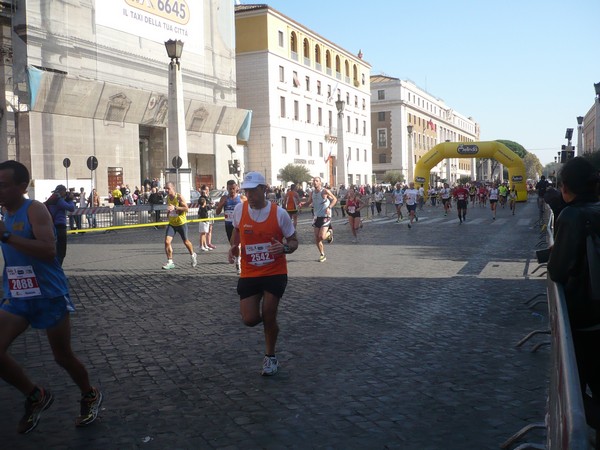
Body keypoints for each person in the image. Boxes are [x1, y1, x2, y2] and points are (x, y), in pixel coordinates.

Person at [0, 160, 103, 434]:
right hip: (18, 295)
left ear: (22, 187)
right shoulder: (4, 213)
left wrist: (7, 237)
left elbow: (48, 250)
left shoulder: (34, 209)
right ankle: (36, 395)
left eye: (4, 185)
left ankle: (89, 393)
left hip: (48, 293)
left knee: (62, 356)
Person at [227, 172, 298, 376]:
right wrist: (234, 248)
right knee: (249, 319)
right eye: (246, 191)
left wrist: (284, 249)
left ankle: (270, 356)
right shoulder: (240, 209)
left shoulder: (279, 213)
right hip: (250, 272)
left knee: (268, 311)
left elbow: (294, 241)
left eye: (253, 191)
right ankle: (271, 323)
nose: (249, 195)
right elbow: (237, 231)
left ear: (264, 190)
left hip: (274, 271)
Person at [547, 157, 600, 430]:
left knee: (574, 394)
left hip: (583, 314)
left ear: (566, 187)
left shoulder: (572, 215)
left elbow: (557, 270)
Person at [300, 177, 337, 262]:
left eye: (317, 181)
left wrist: (329, 207)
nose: (315, 182)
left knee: (322, 236)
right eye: (314, 181)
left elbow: (335, 199)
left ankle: (329, 233)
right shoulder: (312, 192)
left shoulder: (325, 191)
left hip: (325, 216)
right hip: (317, 216)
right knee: (317, 238)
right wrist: (303, 204)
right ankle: (322, 254)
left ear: (320, 183)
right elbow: (309, 202)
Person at [161, 181, 197, 270]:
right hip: (172, 224)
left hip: (181, 223)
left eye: (168, 188)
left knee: (186, 242)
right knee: (167, 242)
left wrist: (176, 208)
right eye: (165, 189)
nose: (166, 190)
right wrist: (168, 213)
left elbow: (186, 208)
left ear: (173, 188)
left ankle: (193, 254)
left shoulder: (179, 197)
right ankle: (170, 262)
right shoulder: (168, 198)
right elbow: (170, 210)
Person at [216, 179, 247, 275]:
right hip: (228, 225)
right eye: (230, 189)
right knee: (233, 245)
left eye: (233, 188)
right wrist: (222, 204)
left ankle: (239, 262)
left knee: (237, 245)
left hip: (239, 226)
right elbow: (217, 212)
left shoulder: (242, 198)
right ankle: (238, 257)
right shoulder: (224, 198)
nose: (232, 191)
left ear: (237, 187)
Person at [44, 184, 75, 266]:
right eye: (65, 192)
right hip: (60, 226)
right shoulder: (58, 200)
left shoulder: (52, 199)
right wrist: (70, 199)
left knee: (55, 249)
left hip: (52, 225)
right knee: (61, 251)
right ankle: (58, 270)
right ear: (62, 192)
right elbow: (71, 208)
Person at [199, 185, 216, 249]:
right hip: (205, 215)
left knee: (210, 229)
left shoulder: (209, 196)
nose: (208, 191)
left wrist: (213, 204)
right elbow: (203, 204)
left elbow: (211, 203)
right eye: (206, 189)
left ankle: (209, 243)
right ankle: (203, 244)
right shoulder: (202, 197)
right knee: (204, 230)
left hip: (210, 213)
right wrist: (210, 204)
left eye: (208, 189)